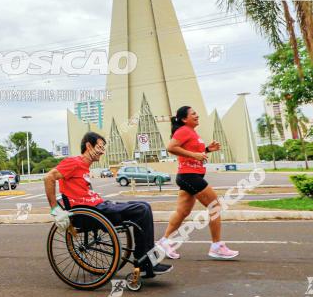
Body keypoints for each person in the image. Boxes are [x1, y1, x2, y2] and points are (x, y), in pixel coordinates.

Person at [44, 131, 173, 280]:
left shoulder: (85, 166)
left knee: (145, 205)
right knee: (142, 210)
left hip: (98, 206)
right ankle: (146, 261)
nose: (102, 151)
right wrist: (55, 210)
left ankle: (145, 259)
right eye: (99, 147)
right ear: (88, 146)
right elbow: (49, 178)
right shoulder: (74, 162)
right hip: (90, 212)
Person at [157, 105, 239, 260]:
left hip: (190, 175)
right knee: (215, 206)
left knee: (182, 212)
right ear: (184, 119)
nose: (197, 115)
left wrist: (207, 149)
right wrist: (195, 155)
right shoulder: (183, 130)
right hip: (189, 175)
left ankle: (164, 241)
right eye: (193, 114)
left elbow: (191, 151)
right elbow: (171, 147)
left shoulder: (191, 132)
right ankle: (216, 246)